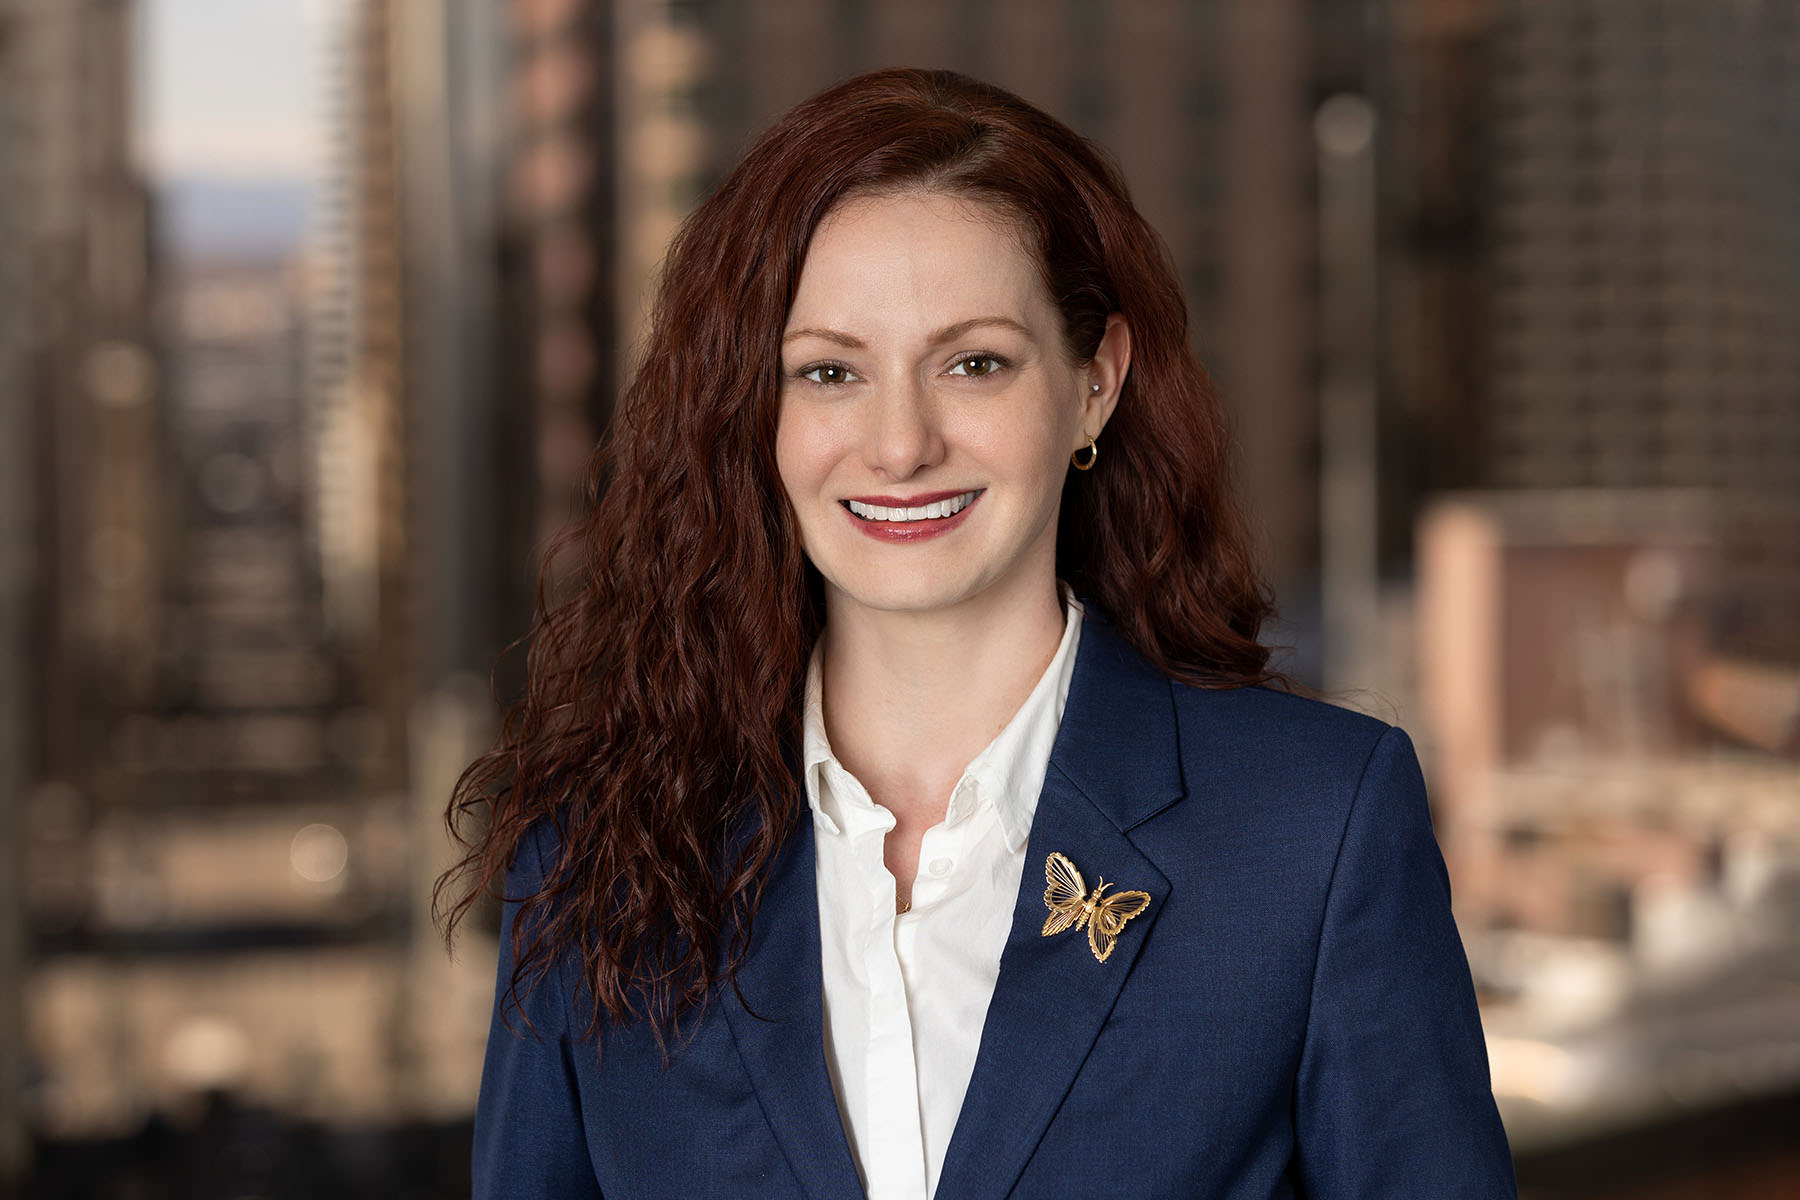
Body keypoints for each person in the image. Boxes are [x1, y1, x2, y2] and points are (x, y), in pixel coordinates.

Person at [442, 68, 1517, 1199]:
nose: (900, 443)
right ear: (757, 414)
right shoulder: (592, 863)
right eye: (830, 372)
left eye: (975, 363)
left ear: (1095, 381)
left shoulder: (1316, 831)